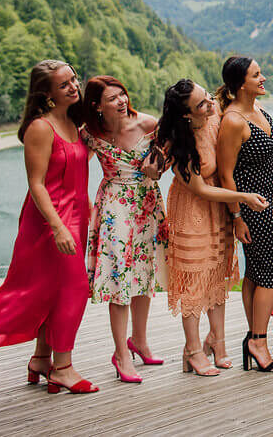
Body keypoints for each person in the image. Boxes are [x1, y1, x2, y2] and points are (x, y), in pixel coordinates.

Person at [0, 60, 99, 394]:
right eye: (64, 85)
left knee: (54, 291)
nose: (74, 86)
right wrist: (58, 227)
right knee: (75, 289)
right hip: (50, 221)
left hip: (77, 217)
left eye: (74, 79)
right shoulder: (41, 128)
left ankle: (41, 360)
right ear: (46, 93)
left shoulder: (75, 123)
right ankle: (64, 367)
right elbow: (37, 184)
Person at [155, 79, 268, 376]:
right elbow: (201, 190)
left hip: (219, 209)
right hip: (193, 208)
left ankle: (217, 341)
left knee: (217, 276)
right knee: (194, 280)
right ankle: (192, 349)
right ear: (185, 115)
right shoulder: (177, 144)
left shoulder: (215, 115)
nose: (209, 105)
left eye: (207, 97)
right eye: (201, 104)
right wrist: (242, 197)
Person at [82, 75, 166, 384]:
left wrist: (157, 167)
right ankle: (121, 353)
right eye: (113, 98)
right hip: (115, 205)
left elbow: (164, 158)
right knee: (120, 278)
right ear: (97, 106)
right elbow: (74, 160)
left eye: (122, 94)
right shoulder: (90, 133)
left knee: (143, 274)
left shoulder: (147, 124)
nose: (121, 100)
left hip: (146, 203)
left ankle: (140, 340)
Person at [216, 56, 273, 373]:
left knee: (258, 272)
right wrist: (237, 216)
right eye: (256, 75)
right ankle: (258, 341)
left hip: (270, 199)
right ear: (239, 83)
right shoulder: (232, 120)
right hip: (251, 206)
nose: (263, 78)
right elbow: (225, 174)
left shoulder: (259, 111)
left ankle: (253, 338)